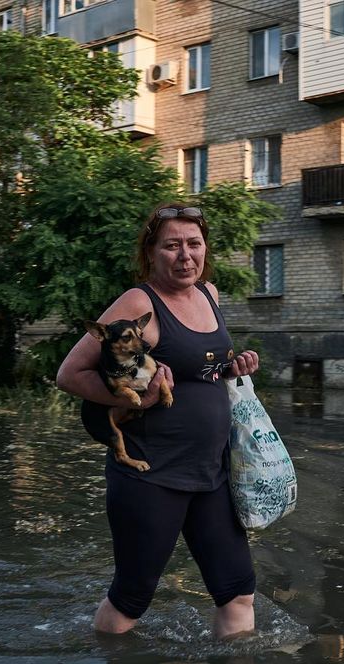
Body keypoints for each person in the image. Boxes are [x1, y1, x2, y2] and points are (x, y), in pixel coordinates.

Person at [56, 202, 260, 639]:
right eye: (172, 246)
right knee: (132, 598)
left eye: (194, 244)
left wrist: (233, 368)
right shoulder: (138, 302)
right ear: (150, 252)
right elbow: (70, 374)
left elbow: (198, 369)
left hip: (212, 473)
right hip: (153, 475)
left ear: (205, 248)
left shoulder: (209, 294)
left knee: (238, 592)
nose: (185, 256)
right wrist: (142, 401)